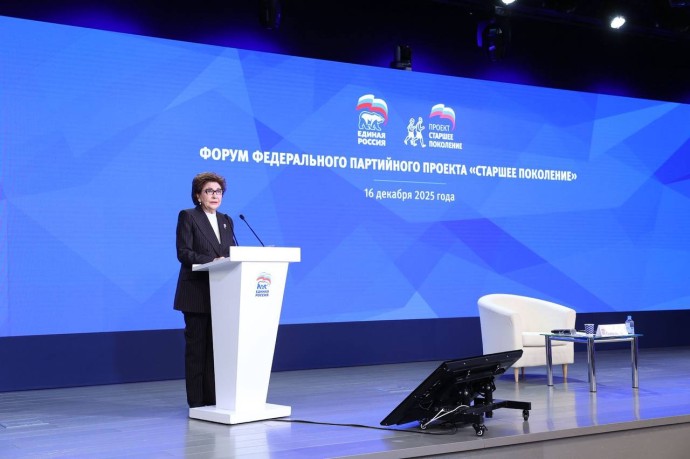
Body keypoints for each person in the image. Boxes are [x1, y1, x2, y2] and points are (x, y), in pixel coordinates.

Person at [173, 172, 236, 408]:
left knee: (215, 352)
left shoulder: (226, 220)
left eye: (218, 191)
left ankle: (213, 401)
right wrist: (213, 260)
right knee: (197, 351)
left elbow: (232, 253)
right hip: (197, 294)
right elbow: (184, 253)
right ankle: (197, 404)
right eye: (209, 191)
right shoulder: (188, 216)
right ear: (198, 195)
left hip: (222, 294)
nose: (215, 195)